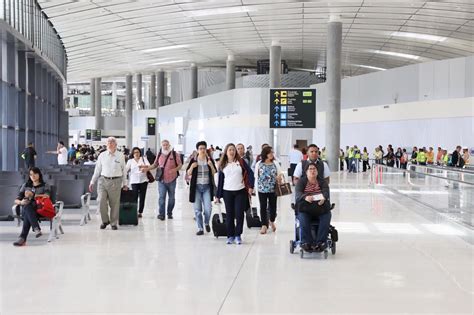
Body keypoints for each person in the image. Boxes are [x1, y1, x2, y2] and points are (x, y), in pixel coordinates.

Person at [215, 143, 254, 245]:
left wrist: (250, 186)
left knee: (239, 214)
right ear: (226, 152)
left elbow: (250, 173)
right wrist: (218, 196)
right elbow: (220, 181)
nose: (232, 152)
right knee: (230, 215)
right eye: (230, 150)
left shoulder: (241, 162)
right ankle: (230, 235)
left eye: (233, 150)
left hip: (240, 191)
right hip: (227, 192)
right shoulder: (222, 164)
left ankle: (238, 235)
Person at [89, 137, 128, 230]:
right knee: (101, 200)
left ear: (116, 144)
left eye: (112, 142)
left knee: (114, 203)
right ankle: (105, 221)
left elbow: (124, 170)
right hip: (103, 180)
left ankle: (114, 223)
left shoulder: (120, 155)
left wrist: (125, 183)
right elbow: (97, 170)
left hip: (116, 181)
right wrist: (92, 181)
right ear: (106, 144)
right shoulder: (102, 155)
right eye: (108, 142)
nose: (110, 144)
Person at [295, 162, 332, 252]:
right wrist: (305, 197)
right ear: (306, 172)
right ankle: (306, 242)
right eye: (310, 169)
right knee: (303, 219)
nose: (312, 171)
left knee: (326, 216)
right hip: (305, 208)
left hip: (320, 207)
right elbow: (298, 193)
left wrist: (323, 197)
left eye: (314, 169)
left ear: (317, 172)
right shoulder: (301, 181)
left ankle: (321, 242)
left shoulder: (322, 181)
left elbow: (326, 192)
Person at [142, 140, 182, 220]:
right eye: (164, 145)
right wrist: (147, 168)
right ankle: (161, 214)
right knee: (161, 198)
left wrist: (175, 169)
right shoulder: (159, 154)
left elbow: (180, 165)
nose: (165, 146)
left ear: (169, 145)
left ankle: (169, 212)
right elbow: (155, 165)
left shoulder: (175, 154)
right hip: (162, 180)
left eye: (167, 145)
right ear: (162, 146)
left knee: (171, 198)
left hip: (172, 179)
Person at [12, 167, 51, 246]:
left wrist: (33, 195)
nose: (33, 176)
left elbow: (47, 196)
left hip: (40, 209)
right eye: (31, 175)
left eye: (35, 174)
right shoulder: (25, 185)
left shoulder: (45, 185)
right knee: (27, 205)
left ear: (39, 174)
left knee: (27, 209)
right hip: (28, 209)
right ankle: (36, 228)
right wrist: (21, 202)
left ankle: (22, 238)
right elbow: (16, 200)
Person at [186, 141, 217, 235]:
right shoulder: (194, 160)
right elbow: (188, 173)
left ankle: (206, 222)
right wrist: (192, 167)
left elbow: (214, 173)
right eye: (200, 149)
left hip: (207, 187)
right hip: (196, 188)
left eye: (204, 148)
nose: (202, 150)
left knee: (208, 208)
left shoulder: (209, 160)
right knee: (197, 210)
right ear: (197, 150)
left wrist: (211, 166)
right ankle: (200, 228)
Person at [254, 146, 283, 234]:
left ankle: (272, 220)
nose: (272, 154)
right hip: (262, 189)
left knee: (273, 207)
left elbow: (280, 174)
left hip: (273, 189)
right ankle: (264, 225)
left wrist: (279, 178)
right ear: (265, 154)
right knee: (263, 207)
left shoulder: (275, 163)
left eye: (272, 153)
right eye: (270, 153)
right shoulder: (259, 164)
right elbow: (256, 176)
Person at [126, 147, 150, 218]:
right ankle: (134, 210)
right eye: (135, 152)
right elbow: (126, 169)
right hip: (134, 181)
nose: (136, 154)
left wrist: (143, 167)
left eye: (138, 152)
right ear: (133, 154)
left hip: (143, 180)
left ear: (140, 153)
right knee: (134, 197)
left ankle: (140, 212)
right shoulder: (130, 161)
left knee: (142, 197)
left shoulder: (143, 159)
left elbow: (149, 166)